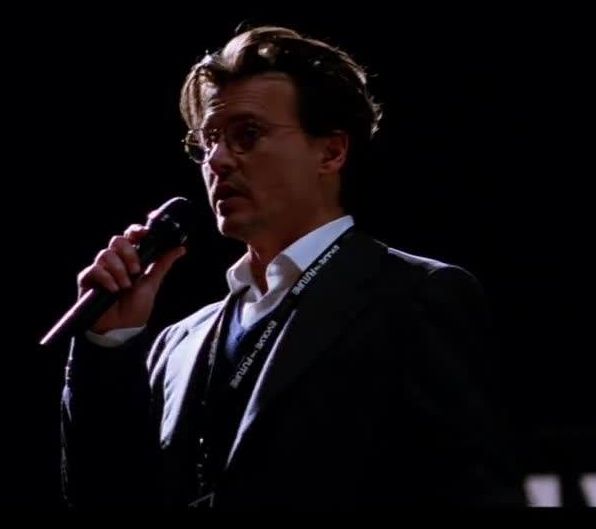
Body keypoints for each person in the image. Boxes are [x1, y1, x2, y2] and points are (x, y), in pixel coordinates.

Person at [61, 25, 525, 510]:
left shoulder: (414, 296)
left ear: (331, 151)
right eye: (208, 140)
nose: (218, 160)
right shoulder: (179, 342)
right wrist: (107, 342)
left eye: (247, 135)